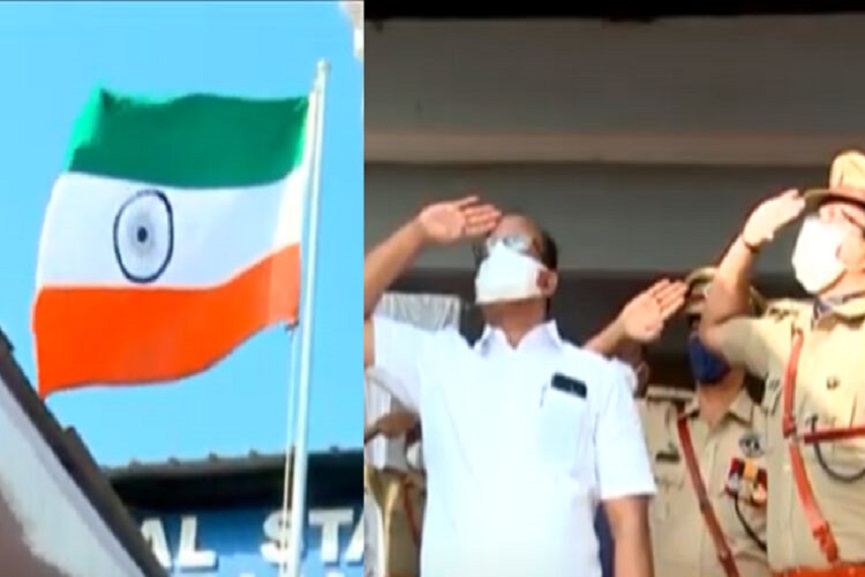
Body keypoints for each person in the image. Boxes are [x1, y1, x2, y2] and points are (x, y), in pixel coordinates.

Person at [363, 195, 656, 577]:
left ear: (548, 279)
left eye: (514, 245)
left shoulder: (597, 377)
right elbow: (339, 321)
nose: (497, 254)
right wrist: (417, 234)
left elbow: (628, 523)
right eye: (487, 250)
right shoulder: (440, 362)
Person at [698, 150, 865, 576]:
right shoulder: (787, 330)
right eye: (820, 217)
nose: (819, 229)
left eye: (839, 220)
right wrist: (748, 243)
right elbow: (714, 328)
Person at [587, 269, 771, 577]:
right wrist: (618, 331)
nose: (702, 337)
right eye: (695, 325)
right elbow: (562, 391)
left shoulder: (775, 432)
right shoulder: (652, 421)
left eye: (716, 325)